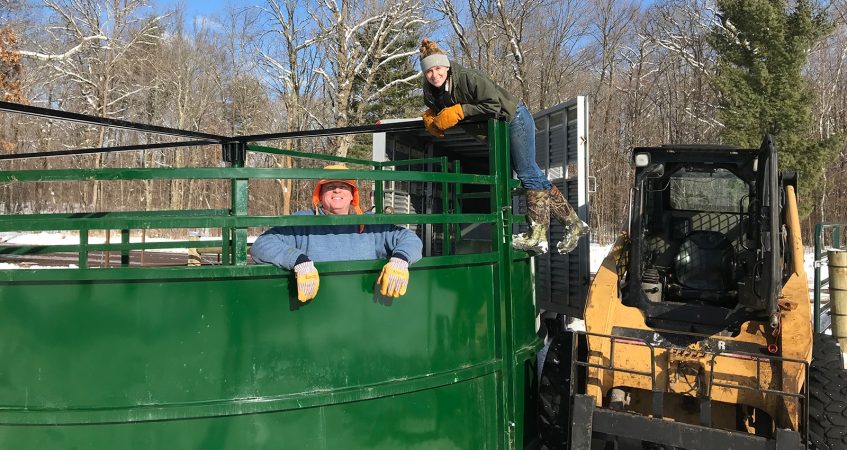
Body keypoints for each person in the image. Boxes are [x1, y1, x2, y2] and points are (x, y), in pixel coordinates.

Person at [418, 38, 589, 255]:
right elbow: (436, 108)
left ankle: (537, 236)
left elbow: (493, 105)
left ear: (447, 66)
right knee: (533, 174)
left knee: (526, 173)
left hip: (513, 118)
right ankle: (573, 223)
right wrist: (431, 116)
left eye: (438, 68)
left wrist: (461, 111)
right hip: (495, 130)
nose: (434, 75)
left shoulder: (469, 78)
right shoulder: (430, 90)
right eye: (429, 71)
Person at [250, 164, 423, 302]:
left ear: (352, 196)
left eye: (343, 186)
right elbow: (261, 245)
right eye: (331, 186)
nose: (337, 190)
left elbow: (410, 239)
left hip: (366, 307)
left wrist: (401, 259)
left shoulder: (370, 223)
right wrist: (298, 260)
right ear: (320, 194)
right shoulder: (303, 221)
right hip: (318, 312)